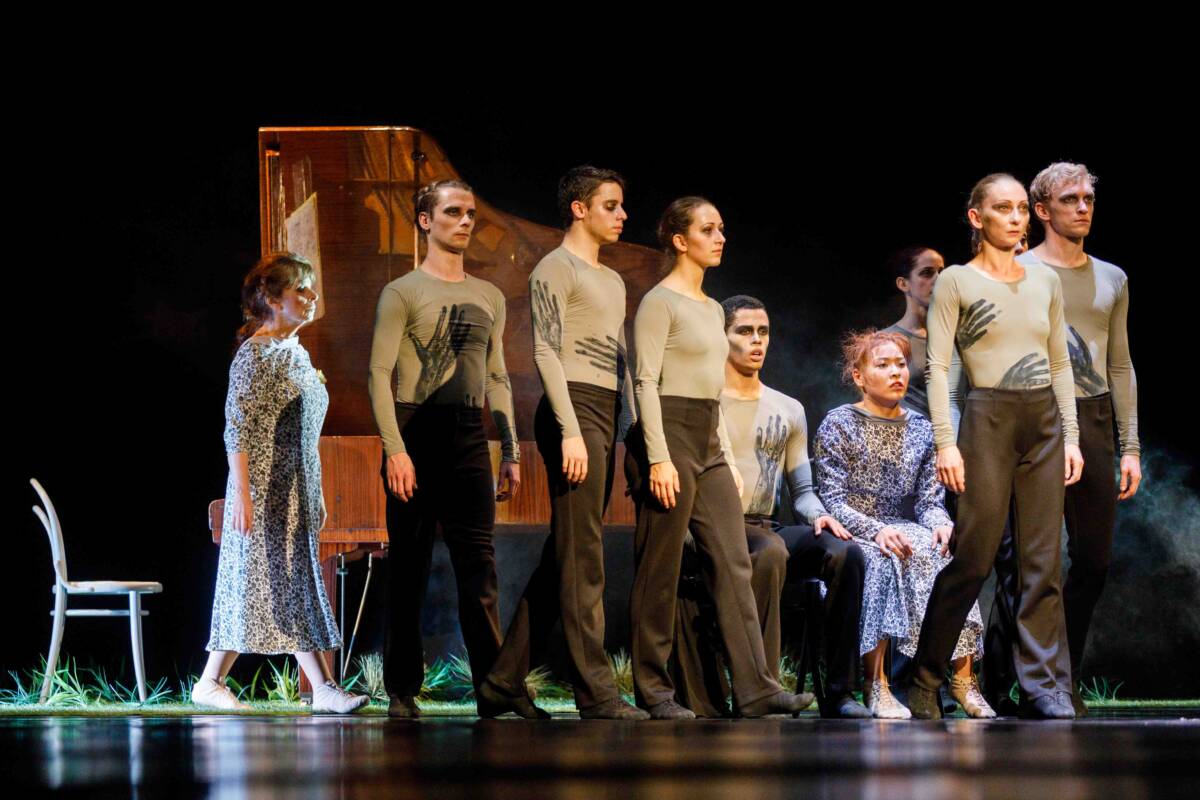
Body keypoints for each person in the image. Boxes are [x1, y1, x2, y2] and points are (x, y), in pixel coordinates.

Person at [624, 197, 809, 719]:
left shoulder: (710, 308)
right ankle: (655, 690)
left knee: (733, 561)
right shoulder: (660, 302)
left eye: (722, 228)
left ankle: (756, 688)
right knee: (660, 569)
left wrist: (722, 454)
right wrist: (658, 458)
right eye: (708, 230)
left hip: (706, 435)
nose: (720, 237)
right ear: (680, 240)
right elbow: (644, 382)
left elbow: (711, 393)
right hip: (666, 432)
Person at [909, 173, 1083, 720]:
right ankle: (926, 676)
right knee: (974, 557)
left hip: (1043, 422)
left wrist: (1071, 436)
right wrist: (946, 443)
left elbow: (1060, 363)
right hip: (986, 419)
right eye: (1003, 208)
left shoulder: (1044, 281)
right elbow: (938, 367)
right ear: (976, 217)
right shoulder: (956, 281)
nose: (1016, 218)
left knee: (1042, 562)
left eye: (1021, 209)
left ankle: (1046, 686)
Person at [477, 166, 648, 720]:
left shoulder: (613, 280)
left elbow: (621, 359)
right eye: (611, 205)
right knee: (584, 557)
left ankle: (502, 681)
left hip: (605, 407)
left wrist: (633, 426)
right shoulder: (555, 267)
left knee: (567, 554)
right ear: (579, 208)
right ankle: (597, 694)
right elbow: (545, 350)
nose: (622, 215)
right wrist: (571, 428)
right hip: (571, 407)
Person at [984, 163, 1141, 716]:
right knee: (1028, 562)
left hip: (1093, 416)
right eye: (1070, 199)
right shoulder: (1017, 268)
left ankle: (1055, 671)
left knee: (1093, 561)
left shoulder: (1112, 278)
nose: (1083, 207)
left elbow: (1119, 363)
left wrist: (1130, 445)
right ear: (1042, 210)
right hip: (1033, 413)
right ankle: (1015, 680)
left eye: (1088, 198)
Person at [672, 295, 871, 719]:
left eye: (763, 332)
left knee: (846, 554)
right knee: (769, 551)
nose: (756, 340)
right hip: (712, 529)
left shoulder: (789, 408)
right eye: (744, 331)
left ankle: (842, 691)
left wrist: (819, 514)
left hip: (766, 525)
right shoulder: (706, 402)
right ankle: (761, 688)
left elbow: (802, 491)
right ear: (721, 337)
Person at [367, 179, 521, 719]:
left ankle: (492, 689)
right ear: (425, 221)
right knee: (408, 566)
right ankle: (402, 689)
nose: (465, 221)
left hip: (468, 435)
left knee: (480, 568)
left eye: (471, 213)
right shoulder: (402, 292)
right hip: (416, 430)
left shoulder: (490, 296)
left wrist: (511, 449)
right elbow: (379, 374)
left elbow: (497, 376)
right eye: (453, 212)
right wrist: (395, 450)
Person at [194, 253, 368, 714]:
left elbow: (305, 430)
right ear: (272, 299)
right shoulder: (255, 355)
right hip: (264, 488)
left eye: (311, 288)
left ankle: (224, 681)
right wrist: (243, 495)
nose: (312, 297)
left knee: (288, 582)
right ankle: (309, 687)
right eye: (300, 290)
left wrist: (315, 490)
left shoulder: (294, 352)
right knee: (265, 581)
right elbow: (237, 428)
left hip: (296, 487)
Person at [814, 330, 993, 719]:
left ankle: (963, 679)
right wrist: (875, 530)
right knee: (880, 558)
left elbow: (928, 502)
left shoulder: (923, 428)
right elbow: (832, 500)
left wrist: (941, 523)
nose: (896, 372)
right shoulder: (839, 423)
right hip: (853, 528)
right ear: (859, 376)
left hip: (902, 523)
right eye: (883, 365)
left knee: (944, 554)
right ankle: (876, 683)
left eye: (900, 364)